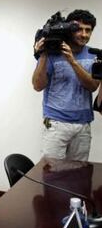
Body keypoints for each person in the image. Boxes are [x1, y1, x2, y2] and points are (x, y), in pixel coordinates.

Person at [32, 9, 99, 161]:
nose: (84, 34)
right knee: (51, 173)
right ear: (69, 29)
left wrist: (72, 61)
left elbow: (93, 86)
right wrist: (43, 55)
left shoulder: (94, 55)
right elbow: (37, 86)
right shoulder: (52, 54)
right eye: (79, 29)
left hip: (83, 124)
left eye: (88, 30)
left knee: (78, 173)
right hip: (56, 123)